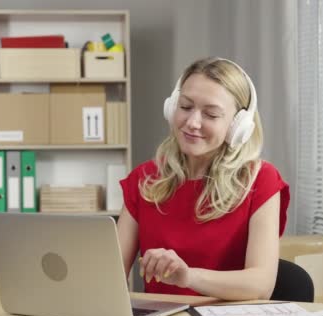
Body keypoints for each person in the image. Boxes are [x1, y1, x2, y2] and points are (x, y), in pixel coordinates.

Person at [117, 57, 290, 301]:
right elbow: (112, 275)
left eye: (211, 114)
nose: (192, 122)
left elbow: (260, 284)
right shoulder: (144, 179)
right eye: (185, 107)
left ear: (238, 126)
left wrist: (188, 277)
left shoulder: (260, 180)